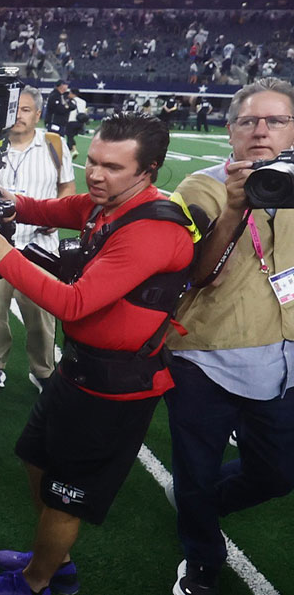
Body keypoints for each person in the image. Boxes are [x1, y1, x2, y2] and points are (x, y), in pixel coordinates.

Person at [0, 113, 195, 595]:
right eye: (92, 161)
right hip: (80, 368)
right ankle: (54, 556)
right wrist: (9, 203)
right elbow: (48, 210)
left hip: (117, 386)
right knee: (35, 457)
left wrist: (4, 253)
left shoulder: (152, 227)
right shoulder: (103, 205)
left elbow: (74, 302)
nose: (95, 173)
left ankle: (38, 581)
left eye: (112, 166)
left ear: (148, 170)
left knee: (67, 495)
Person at [165, 78, 294, 595]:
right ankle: (201, 561)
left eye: (276, 121)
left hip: (283, 360)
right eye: (249, 121)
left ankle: (202, 505)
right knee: (195, 470)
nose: (262, 131)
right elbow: (193, 274)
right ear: (231, 130)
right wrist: (237, 208)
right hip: (205, 358)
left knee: (280, 473)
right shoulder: (201, 187)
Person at [0, 85, 75, 391]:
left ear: (38, 114)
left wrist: (53, 216)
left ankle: (43, 368)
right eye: (14, 109)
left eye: (26, 109)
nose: (19, 116)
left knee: (41, 313)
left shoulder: (54, 144)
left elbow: (67, 187)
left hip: (39, 247)